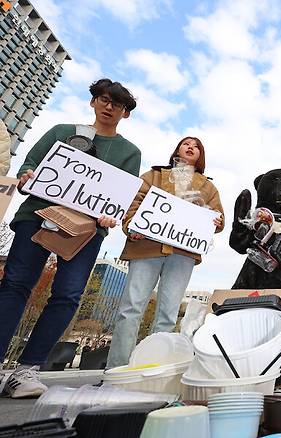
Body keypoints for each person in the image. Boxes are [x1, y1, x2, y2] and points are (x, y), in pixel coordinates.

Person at [0, 79, 140, 398]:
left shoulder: (129, 153)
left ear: (125, 113)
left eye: (117, 104)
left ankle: (28, 369)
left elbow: (121, 193)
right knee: (16, 285)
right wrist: (27, 177)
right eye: (103, 100)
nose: (108, 107)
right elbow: (32, 163)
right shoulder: (62, 130)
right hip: (38, 214)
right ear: (93, 102)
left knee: (68, 294)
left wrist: (110, 215)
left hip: (87, 229)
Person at [106, 137, 224, 369]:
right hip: (146, 247)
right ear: (176, 150)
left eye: (197, 146)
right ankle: (116, 369)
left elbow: (217, 219)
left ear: (201, 155)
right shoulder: (153, 176)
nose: (191, 148)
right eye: (186, 144)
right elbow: (134, 203)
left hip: (183, 253)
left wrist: (216, 221)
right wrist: (132, 226)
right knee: (131, 308)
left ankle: (153, 370)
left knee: (168, 314)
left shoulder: (208, 187)